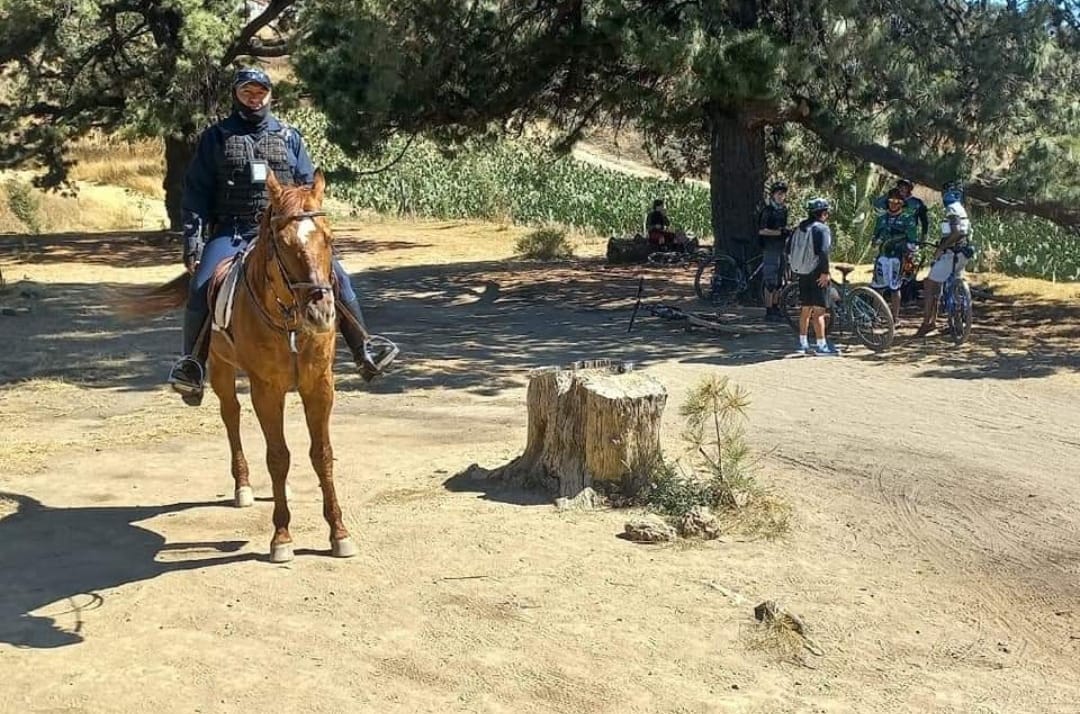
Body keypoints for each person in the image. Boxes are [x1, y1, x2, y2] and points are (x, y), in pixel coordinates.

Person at [168, 67, 397, 406]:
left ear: (270, 94)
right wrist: (193, 241)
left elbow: (307, 183)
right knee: (202, 285)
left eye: (260, 90)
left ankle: (364, 350)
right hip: (233, 230)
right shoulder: (216, 137)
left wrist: (305, 220)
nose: (254, 96)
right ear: (236, 95)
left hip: (285, 229)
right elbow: (196, 193)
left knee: (338, 278)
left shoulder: (289, 136)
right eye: (247, 91)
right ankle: (193, 366)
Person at [915, 183, 973, 336]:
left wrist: (941, 248)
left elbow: (955, 232)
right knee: (950, 284)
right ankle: (957, 323)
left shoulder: (952, 208)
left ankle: (928, 323)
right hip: (963, 253)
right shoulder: (961, 208)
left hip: (952, 253)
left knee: (930, 284)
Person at [787, 198, 841, 356]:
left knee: (805, 309)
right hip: (817, 272)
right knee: (819, 312)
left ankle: (803, 343)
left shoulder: (800, 227)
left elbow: (788, 248)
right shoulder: (821, 229)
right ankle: (822, 345)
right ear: (824, 213)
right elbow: (823, 252)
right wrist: (825, 272)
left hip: (802, 271)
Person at [869, 188, 918, 323]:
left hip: (898, 258)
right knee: (878, 288)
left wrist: (910, 253)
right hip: (883, 256)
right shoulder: (881, 219)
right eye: (891, 201)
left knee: (895, 288)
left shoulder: (908, 219)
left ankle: (894, 319)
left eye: (897, 201)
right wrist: (876, 241)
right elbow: (875, 238)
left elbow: (912, 241)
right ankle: (875, 317)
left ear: (902, 203)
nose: (893, 204)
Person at [758, 181, 789, 322]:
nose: (781, 196)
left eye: (783, 194)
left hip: (781, 248)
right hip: (770, 247)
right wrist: (779, 232)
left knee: (779, 280)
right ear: (773, 195)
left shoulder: (784, 210)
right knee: (770, 280)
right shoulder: (768, 211)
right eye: (779, 194)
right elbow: (762, 230)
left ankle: (775, 307)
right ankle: (769, 310)